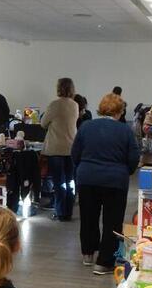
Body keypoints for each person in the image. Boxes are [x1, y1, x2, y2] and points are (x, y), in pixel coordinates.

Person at [72, 93, 140, 275]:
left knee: (88, 217)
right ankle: (104, 262)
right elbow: (133, 157)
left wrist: (83, 167)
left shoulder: (86, 127)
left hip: (87, 178)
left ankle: (88, 253)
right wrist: (126, 171)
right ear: (119, 112)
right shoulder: (125, 130)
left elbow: (75, 153)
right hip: (115, 181)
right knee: (112, 221)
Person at [41, 78, 79, 222]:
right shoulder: (75, 105)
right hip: (71, 148)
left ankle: (60, 212)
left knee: (59, 183)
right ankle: (68, 212)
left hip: (56, 148)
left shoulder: (54, 105)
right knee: (70, 182)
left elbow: (43, 123)